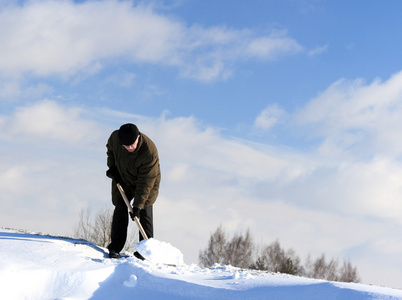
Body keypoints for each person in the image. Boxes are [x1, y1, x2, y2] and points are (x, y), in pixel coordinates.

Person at [106, 123, 161, 259]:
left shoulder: (149, 151)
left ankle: (145, 252)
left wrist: (138, 205)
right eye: (126, 146)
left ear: (138, 137)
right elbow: (111, 151)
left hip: (147, 183)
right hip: (124, 178)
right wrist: (112, 168)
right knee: (120, 208)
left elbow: (146, 182)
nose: (130, 147)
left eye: (132, 144)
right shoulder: (115, 138)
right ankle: (115, 247)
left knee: (144, 213)